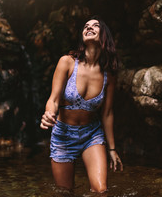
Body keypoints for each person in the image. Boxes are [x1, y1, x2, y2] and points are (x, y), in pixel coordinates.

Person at [40, 16, 123, 193]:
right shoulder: (67, 62)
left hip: (91, 135)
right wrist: (49, 113)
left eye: (95, 25)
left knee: (101, 191)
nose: (89, 27)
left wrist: (112, 149)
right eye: (86, 26)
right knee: (65, 193)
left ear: (104, 36)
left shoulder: (109, 74)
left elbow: (107, 113)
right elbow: (53, 99)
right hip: (63, 135)